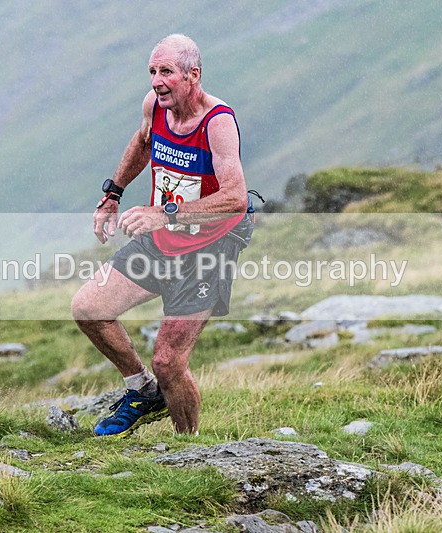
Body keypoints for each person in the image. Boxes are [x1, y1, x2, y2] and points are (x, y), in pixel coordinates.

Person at [71, 34, 249, 437]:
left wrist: (164, 213)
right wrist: (113, 194)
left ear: (193, 75)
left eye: (166, 72)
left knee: (169, 361)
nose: (156, 81)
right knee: (89, 308)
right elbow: (142, 142)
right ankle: (141, 390)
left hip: (210, 249)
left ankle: (189, 447)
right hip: (164, 239)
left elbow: (236, 198)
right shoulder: (155, 106)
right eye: (152, 71)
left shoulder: (217, 122)